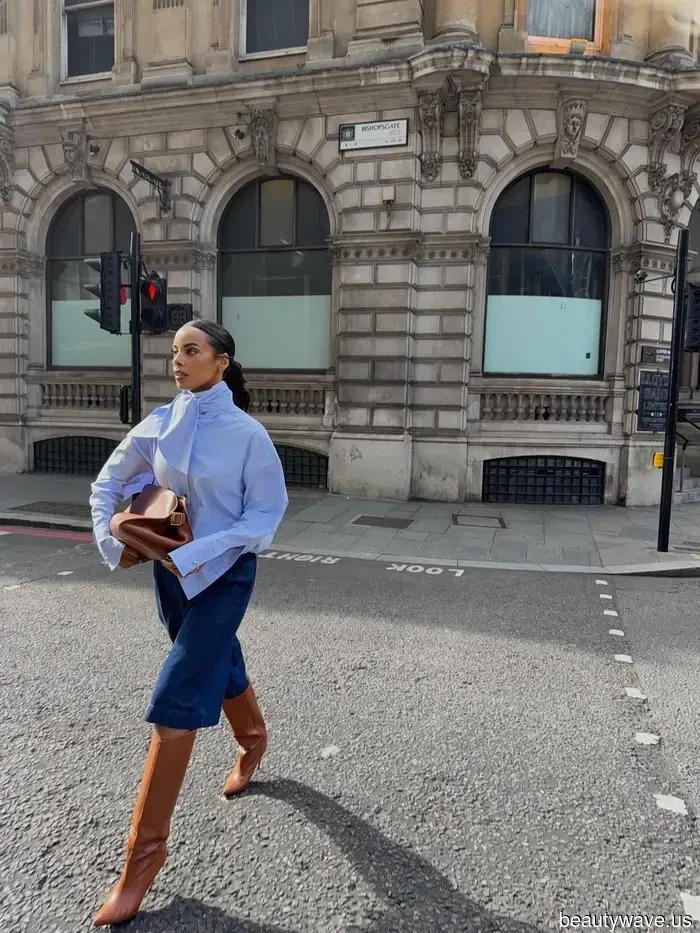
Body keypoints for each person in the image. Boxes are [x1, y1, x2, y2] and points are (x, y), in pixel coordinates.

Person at [88, 320, 289, 927]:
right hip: (169, 574)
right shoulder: (158, 424)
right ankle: (254, 740)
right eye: (174, 351)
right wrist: (111, 538)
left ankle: (141, 862)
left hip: (224, 575)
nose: (178, 360)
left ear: (221, 362)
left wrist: (202, 551)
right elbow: (108, 483)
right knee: (216, 661)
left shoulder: (249, 436)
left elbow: (265, 517)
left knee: (178, 688)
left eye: (191, 350)